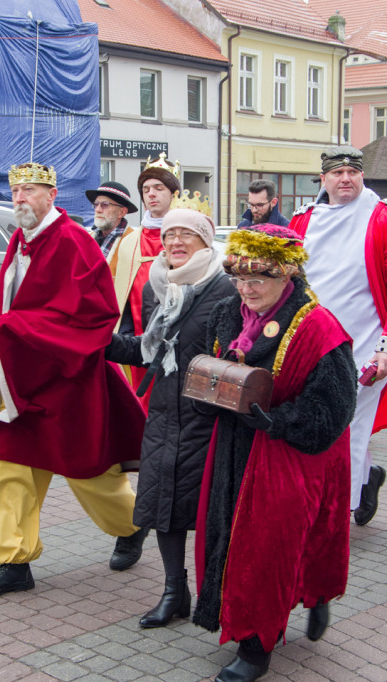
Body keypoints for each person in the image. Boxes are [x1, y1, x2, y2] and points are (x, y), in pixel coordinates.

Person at [0, 162, 148, 599]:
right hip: (23, 383)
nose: (20, 198)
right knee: (10, 469)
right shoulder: (22, 238)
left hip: (68, 381)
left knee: (89, 473)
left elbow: (95, 317)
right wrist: (7, 334)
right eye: (15, 190)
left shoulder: (74, 242)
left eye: (30, 190)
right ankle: (12, 561)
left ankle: (133, 525)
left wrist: (19, 327)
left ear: (52, 195)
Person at [192, 224, 356, 682]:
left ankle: (259, 645)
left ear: (287, 275)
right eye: (240, 279)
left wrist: (277, 422)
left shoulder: (320, 327)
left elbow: (335, 409)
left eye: (258, 279)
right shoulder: (226, 312)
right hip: (233, 449)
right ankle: (246, 622)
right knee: (228, 538)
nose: (247, 289)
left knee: (269, 547)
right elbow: (212, 367)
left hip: (291, 453)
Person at [105, 208, 231, 629]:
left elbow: (232, 356)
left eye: (186, 235)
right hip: (163, 410)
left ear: (205, 241)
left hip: (207, 415)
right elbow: (149, 348)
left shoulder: (224, 288)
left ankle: (216, 592)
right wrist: (101, 343)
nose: (175, 242)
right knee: (165, 506)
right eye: (169, 234)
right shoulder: (157, 285)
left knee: (212, 511)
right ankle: (174, 593)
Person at [289, 146, 387, 527]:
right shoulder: (303, 220)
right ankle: (365, 481)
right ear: (324, 179)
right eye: (337, 172)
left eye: (352, 171)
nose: (345, 178)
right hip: (311, 343)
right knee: (326, 423)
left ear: (362, 176)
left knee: (346, 426)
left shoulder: (385, 218)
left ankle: (335, 514)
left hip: (365, 345)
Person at [109, 154, 182, 402]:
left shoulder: (184, 238)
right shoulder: (129, 240)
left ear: (173, 193)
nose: (151, 194)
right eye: (146, 189)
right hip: (136, 333)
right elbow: (119, 292)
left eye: (159, 188)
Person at [86, 180, 138, 258]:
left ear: (121, 212)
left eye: (105, 205)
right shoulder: (88, 237)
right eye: (96, 204)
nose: (98, 210)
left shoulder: (134, 241)